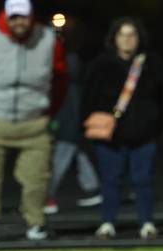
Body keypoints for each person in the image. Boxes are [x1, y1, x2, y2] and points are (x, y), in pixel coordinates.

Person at [0, 0, 68, 242]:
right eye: (14, 17)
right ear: (6, 16)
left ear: (31, 16)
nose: (19, 22)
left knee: (37, 177)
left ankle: (36, 224)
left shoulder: (48, 40)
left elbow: (60, 78)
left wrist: (50, 110)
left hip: (33, 124)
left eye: (23, 16)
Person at [83, 18, 163, 240]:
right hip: (110, 137)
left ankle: (147, 223)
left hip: (144, 135)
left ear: (140, 38)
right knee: (110, 180)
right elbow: (88, 99)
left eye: (132, 35)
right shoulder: (101, 65)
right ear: (114, 38)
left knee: (143, 180)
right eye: (123, 34)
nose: (127, 39)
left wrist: (157, 128)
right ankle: (108, 222)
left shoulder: (152, 64)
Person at [44, 50, 102, 215]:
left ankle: (47, 196)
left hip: (68, 129)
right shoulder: (78, 85)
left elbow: (64, 110)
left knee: (58, 162)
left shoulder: (66, 86)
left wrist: (56, 125)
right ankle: (93, 189)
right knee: (81, 157)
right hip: (76, 127)